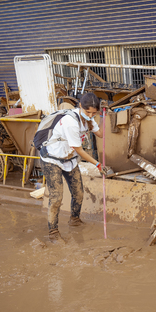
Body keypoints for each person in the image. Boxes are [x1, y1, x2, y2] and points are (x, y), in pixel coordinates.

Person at [40, 92, 111, 242]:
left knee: (78, 192)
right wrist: (98, 164)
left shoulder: (89, 119)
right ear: (80, 106)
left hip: (69, 159)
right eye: (88, 112)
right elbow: (79, 150)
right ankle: (53, 232)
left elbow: (100, 134)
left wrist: (103, 116)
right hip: (52, 159)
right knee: (56, 197)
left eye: (94, 112)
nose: (91, 115)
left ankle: (74, 219)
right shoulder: (70, 122)